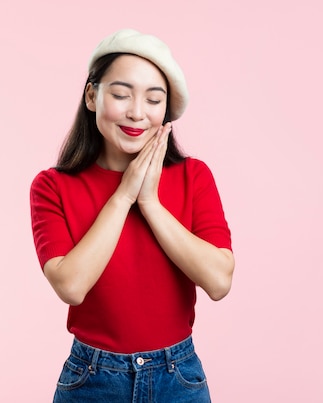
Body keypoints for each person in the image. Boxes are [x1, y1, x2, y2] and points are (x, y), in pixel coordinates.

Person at [29, 29, 234, 402]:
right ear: (92, 96)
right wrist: (124, 195)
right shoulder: (52, 186)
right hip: (91, 378)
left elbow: (219, 282)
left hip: (178, 376)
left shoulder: (194, 177)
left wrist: (150, 202)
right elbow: (71, 286)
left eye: (154, 100)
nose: (137, 112)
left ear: (166, 111)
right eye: (121, 95)